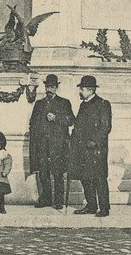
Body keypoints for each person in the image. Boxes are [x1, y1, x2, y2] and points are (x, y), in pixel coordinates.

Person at [69, 75, 112, 218]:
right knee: (85, 177)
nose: (79, 92)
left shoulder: (103, 104)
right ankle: (91, 205)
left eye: (81, 89)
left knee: (99, 178)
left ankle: (104, 208)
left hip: (96, 149)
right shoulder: (83, 104)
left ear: (90, 90)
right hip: (81, 148)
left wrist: (94, 142)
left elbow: (105, 127)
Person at [29, 74, 74, 209]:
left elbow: (71, 120)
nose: (50, 89)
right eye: (48, 86)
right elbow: (32, 122)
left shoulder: (64, 102)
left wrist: (56, 118)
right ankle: (46, 198)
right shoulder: (39, 104)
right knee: (43, 173)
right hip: (42, 144)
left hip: (58, 145)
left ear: (57, 87)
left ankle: (59, 200)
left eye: (52, 87)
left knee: (58, 173)